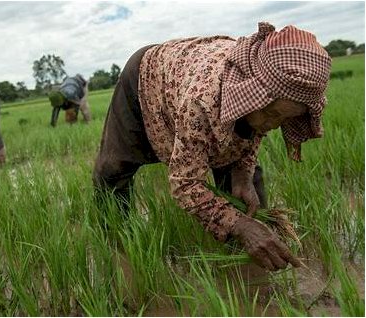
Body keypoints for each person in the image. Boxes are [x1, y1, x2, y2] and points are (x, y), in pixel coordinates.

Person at [93, 22, 331, 271]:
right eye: (272, 114)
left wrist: (243, 173)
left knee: (246, 185)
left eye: (283, 119)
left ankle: (248, 266)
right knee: (114, 169)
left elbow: (254, 131)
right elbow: (185, 184)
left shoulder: (262, 94)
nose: (273, 125)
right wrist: (241, 226)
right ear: (253, 94)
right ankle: (118, 249)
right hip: (145, 78)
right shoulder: (203, 102)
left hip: (195, 80)